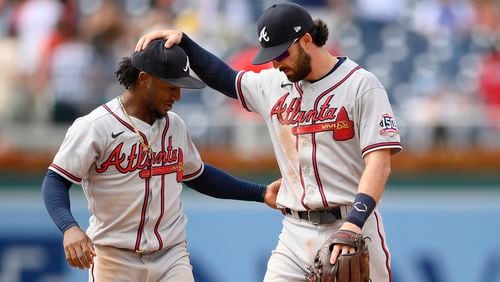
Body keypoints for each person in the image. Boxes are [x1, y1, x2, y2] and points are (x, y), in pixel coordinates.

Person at [136, 2, 402, 281]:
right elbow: (226, 79)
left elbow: (379, 164)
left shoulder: (361, 85)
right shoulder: (275, 83)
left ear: (307, 40)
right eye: (271, 56)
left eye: (282, 54)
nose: (276, 63)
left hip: (352, 223)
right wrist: (187, 43)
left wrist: (354, 223)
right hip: (295, 230)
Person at [41, 39, 281, 282]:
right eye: (171, 86)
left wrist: (260, 193)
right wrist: (69, 227)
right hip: (115, 257)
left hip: (171, 256)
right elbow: (55, 181)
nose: (177, 95)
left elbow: (199, 176)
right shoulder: (95, 127)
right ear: (144, 79)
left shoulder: (174, 124)